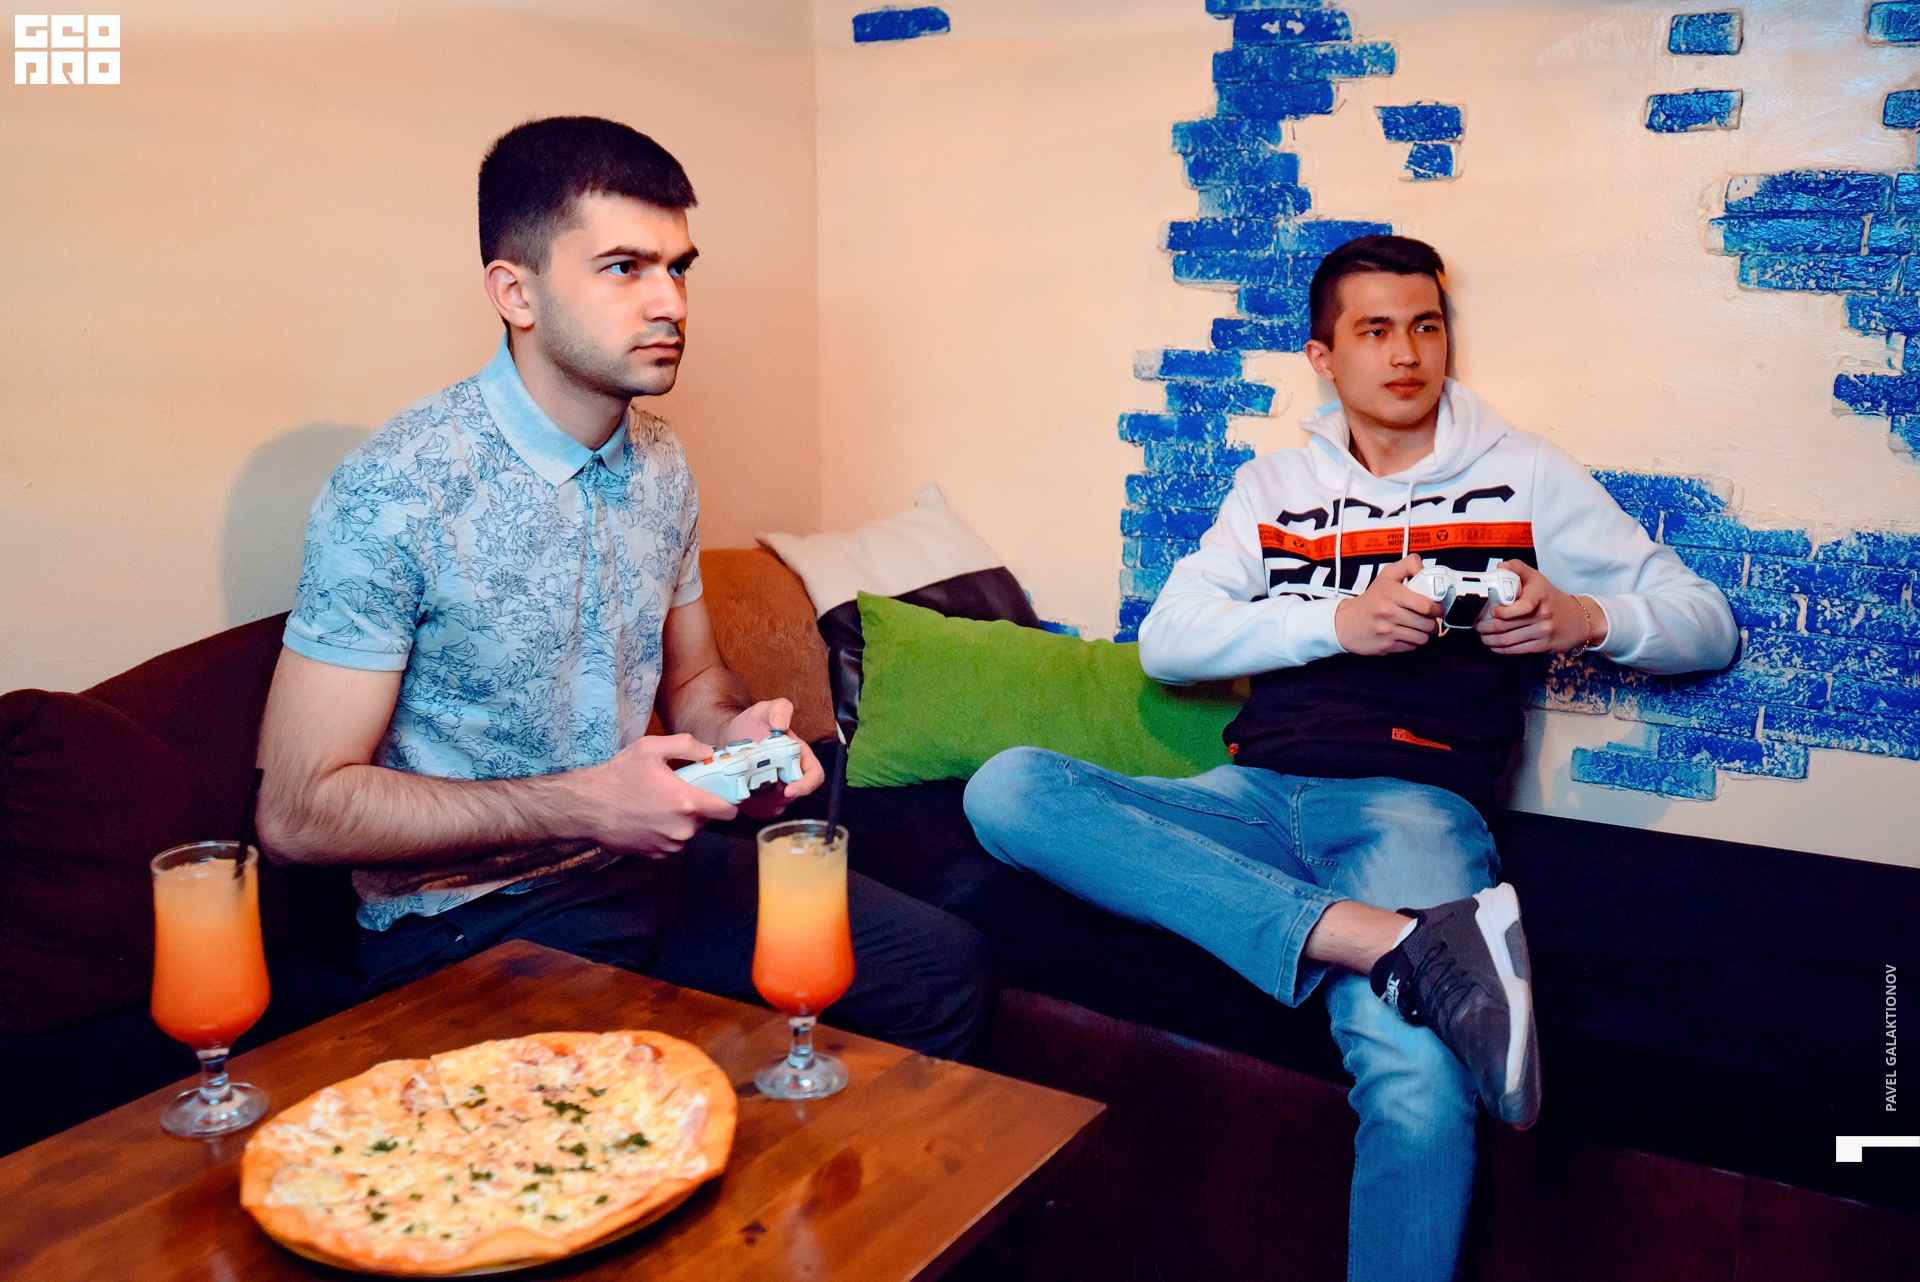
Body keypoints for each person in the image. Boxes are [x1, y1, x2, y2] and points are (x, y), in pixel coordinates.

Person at [963, 235, 1737, 1279]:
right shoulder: (1274, 485)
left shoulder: (1523, 473)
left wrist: (1583, 616)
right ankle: (1387, 940)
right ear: (1323, 358)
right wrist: (1338, 622)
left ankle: (1387, 938)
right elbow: (1168, 642)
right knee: (1008, 787)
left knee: (1418, 1078)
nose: (1407, 353)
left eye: (1426, 326)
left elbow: (1706, 622)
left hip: (1410, 805)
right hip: (1248, 794)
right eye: (1375, 330)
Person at [256, 116, 991, 1061]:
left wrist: (737, 739)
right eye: (623, 268)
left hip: (649, 872)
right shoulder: (397, 489)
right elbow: (297, 812)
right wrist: (582, 804)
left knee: (947, 971)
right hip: (471, 925)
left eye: (678, 268)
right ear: (515, 292)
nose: (670, 302)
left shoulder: (660, 461)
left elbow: (694, 680)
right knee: (652, 1095)